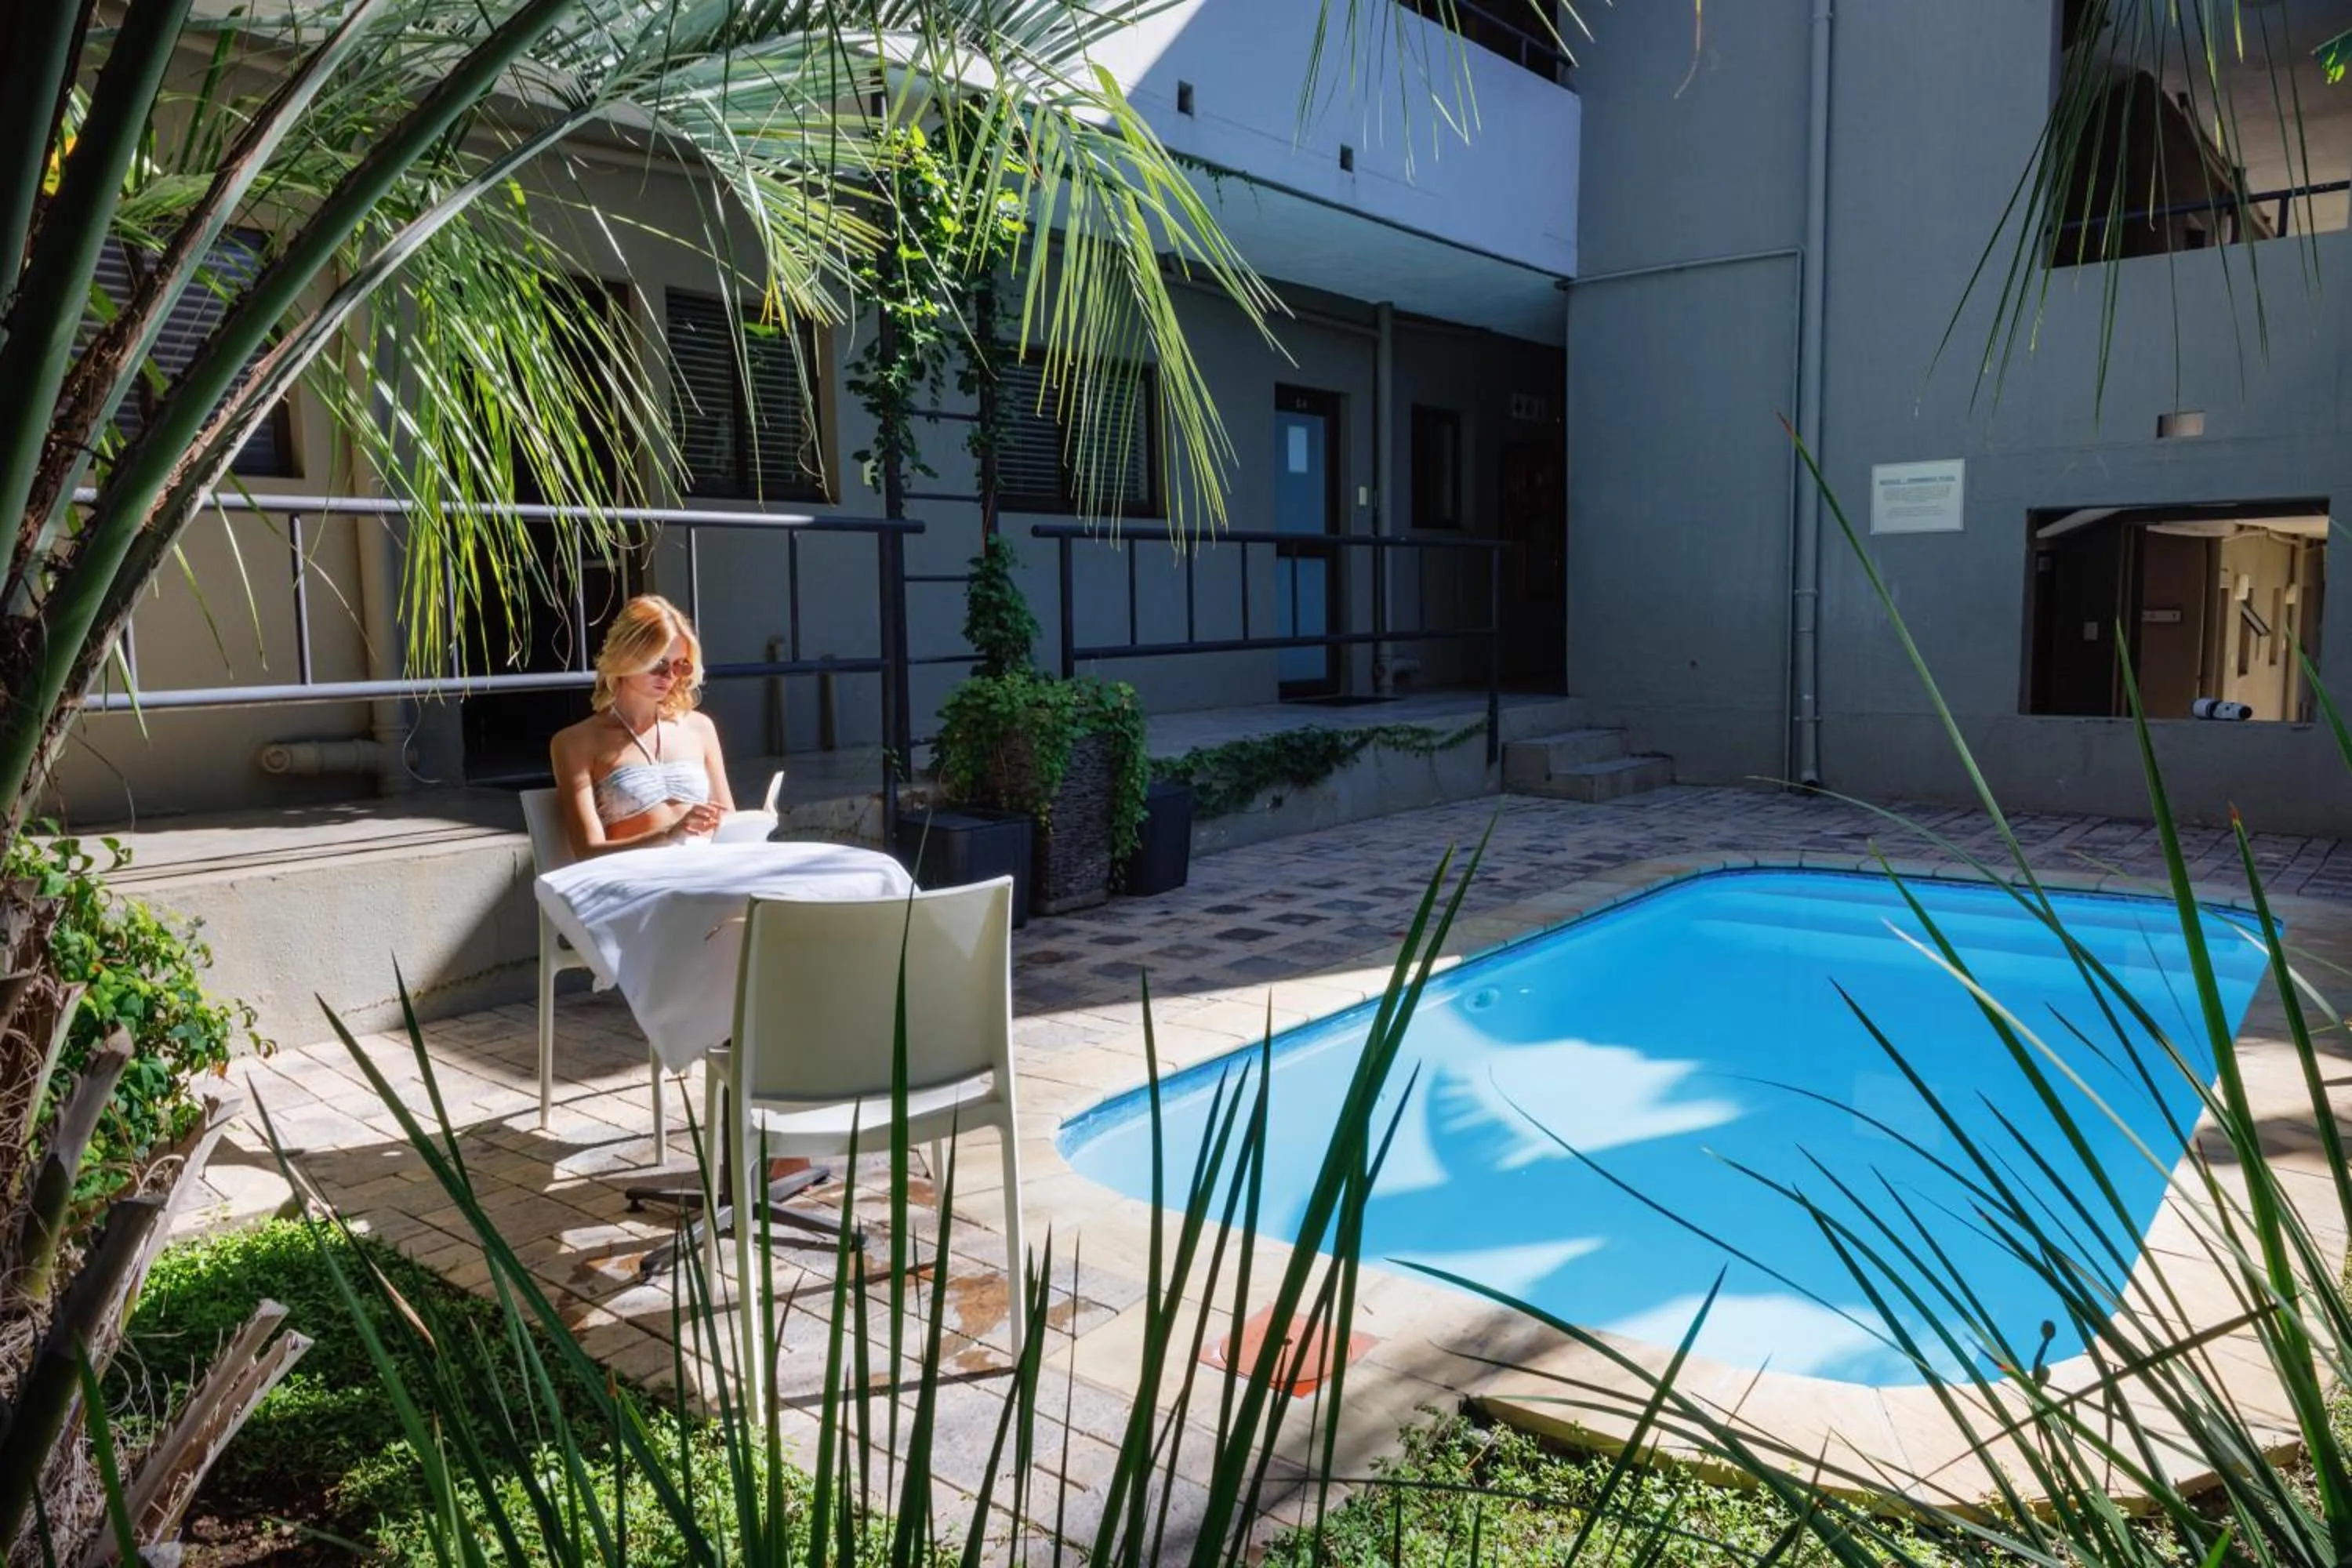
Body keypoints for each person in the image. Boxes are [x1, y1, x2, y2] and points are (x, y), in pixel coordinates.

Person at [551, 594, 734, 858]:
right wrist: (669, 835)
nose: (669, 676)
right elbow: (587, 852)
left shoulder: (699, 728)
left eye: (680, 665)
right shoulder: (576, 742)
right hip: (636, 875)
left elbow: (729, 820)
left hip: (706, 866)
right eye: (659, 663)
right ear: (626, 656)